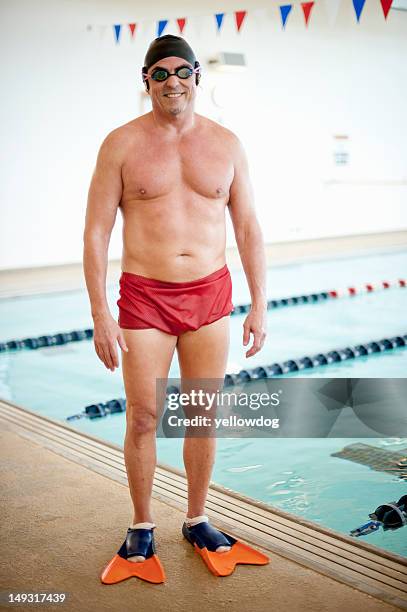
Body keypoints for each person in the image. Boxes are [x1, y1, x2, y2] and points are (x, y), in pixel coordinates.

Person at [83, 34, 268, 583]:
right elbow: (96, 232)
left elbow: (248, 226)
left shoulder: (227, 144)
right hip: (145, 298)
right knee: (143, 415)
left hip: (211, 294)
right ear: (147, 81)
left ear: (196, 77)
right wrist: (100, 313)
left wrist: (260, 303)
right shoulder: (120, 144)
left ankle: (197, 518)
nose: (171, 81)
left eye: (181, 71)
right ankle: (141, 528)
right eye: (159, 73)